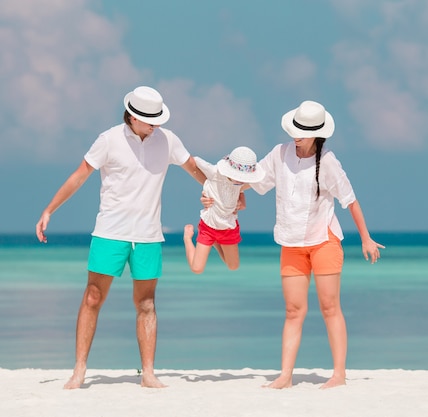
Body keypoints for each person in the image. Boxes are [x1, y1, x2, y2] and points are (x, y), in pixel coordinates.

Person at [35, 86, 207, 389]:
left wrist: (223, 197)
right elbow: (80, 175)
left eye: (157, 118)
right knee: (92, 297)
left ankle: (149, 373)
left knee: (146, 304)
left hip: (148, 235)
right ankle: (79, 370)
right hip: (109, 233)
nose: (154, 124)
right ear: (132, 116)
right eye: (148, 119)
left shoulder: (168, 140)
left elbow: (194, 168)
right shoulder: (109, 139)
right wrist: (50, 209)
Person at [250, 100, 385, 389]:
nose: (297, 134)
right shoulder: (280, 154)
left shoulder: (329, 162)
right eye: (295, 128)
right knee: (293, 310)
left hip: (324, 241)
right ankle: (285, 375)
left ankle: (338, 375)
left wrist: (366, 238)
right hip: (291, 243)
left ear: (317, 133)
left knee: (329, 307)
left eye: (304, 130)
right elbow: (256, 179)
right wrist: (228, 189)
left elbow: (350, 200)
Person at [183, 146, 265, 273]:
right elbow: (194, 160)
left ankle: (216, 243)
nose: (241, 181)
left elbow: (241, 194)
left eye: (244, 178)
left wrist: (242, 203)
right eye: (238, 176)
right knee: (197, 269)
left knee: (233, 266)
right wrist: (206, 191)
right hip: (209, 225)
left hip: (228, 227)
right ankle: (187, 239)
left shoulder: (241, 182)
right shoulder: (214, 173)